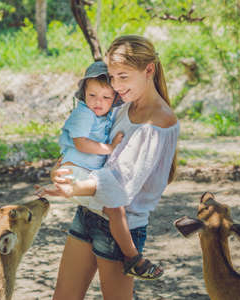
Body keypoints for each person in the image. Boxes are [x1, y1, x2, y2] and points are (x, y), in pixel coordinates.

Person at [43, 35, 179, 300]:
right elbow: (88, 145)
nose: (116, 85)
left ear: (148, 69)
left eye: (123, 77)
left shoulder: (159, 122)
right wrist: (61, 169)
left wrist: (74, 188)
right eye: (113, 77)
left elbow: (122, 180)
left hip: (121, 226)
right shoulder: (120, 106)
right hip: (88, 213)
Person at [57, 60, 162, 280]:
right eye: (92, 95)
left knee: (113, 207)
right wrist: (110, 148)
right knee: (115, 207)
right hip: (79, 173)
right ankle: (133, 257)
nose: (98, 102)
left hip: (85, 175)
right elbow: (81, 144)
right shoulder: (84, 113)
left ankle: (131, 255)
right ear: (83, 93)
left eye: (105, 97)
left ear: (114, 98)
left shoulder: (108, 114)